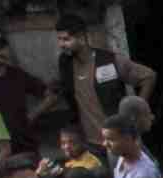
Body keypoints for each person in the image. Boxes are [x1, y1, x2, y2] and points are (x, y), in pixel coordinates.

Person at [52, 15, 155, 150]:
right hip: (90, 143)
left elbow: (148, 76)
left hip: (119, 140)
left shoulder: (109, 61)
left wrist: (137, 110)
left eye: (66, 39)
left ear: (82, 37)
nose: (61, 45)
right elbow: (64, 90)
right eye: (59, 39)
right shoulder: (65, 63)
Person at [0, 30, 49, 163]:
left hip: (24, 149)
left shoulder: (17, 75)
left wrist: (32, 115)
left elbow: (51, 94)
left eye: (2, 47)